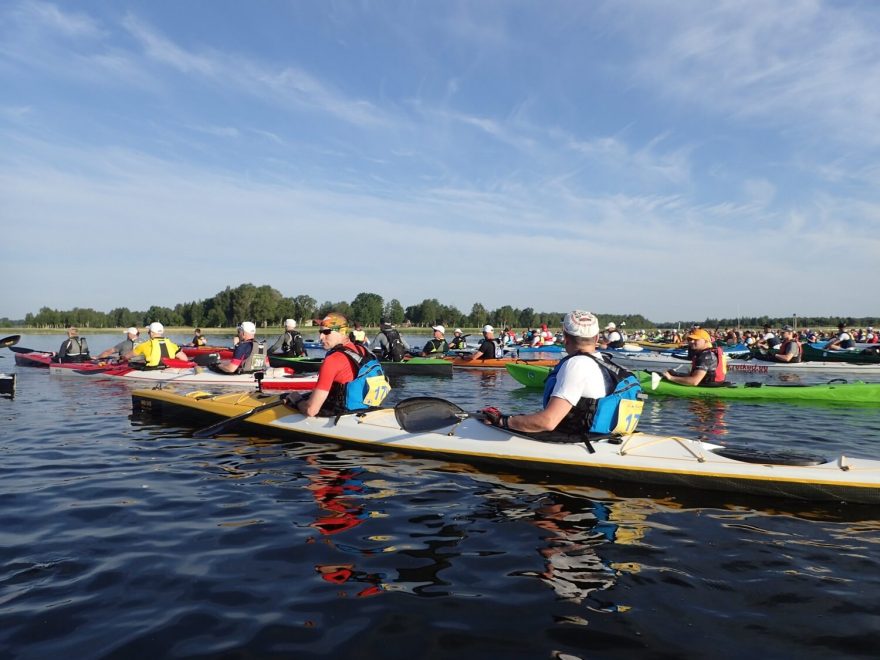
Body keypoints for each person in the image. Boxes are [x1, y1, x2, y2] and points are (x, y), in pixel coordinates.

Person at [479, 310, 643, 440]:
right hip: (607, 438)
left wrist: (503, 421)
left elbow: (548, 422)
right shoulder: (606, 361)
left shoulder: (576, 364)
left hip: (582, 441)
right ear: (597, 337)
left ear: (565, 338)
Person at [290, 313, 389, 418]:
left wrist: (297, 399)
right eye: (320, 332)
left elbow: (311, 410)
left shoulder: (332, 360)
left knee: (295, 401)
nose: (321, 337)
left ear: (341, 331)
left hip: (344, 416)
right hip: (369, 412)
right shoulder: (364, 350)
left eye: (326, 332)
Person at [662, 328, 726, 386]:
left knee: (670, 375)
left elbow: (694, 381)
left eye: (696, 340)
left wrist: (671, 378)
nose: (691, 341)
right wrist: (674, 374)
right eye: (691, 339)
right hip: (709, 381)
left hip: (708, 385)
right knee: (671, 372)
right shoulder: (705, 353)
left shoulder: (706, 355)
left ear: (706, 341)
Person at [124, 322, 189, 368]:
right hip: (167, 369)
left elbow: (127, 356)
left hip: (151, 370)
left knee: (131, 364)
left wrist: (122, 358)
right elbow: (185, 359)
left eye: (149, 332)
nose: (148, 333)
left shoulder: (145, 345)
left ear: (152, 333)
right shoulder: (172, 345)